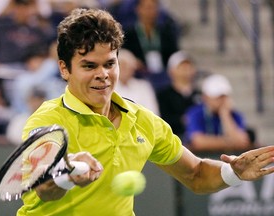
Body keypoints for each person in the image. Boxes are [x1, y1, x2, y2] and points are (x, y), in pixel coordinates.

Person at [17, 8, 274, 216]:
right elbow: (43, 188)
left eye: (109, 63)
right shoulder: (48, 120)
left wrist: (234, 172)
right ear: (64, 69)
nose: (102, 74)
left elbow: (195, 174)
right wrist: (68, 172)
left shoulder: (143, 120)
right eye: (89, 65)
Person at [184, 74, 253, 152]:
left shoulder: (235, 115)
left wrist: (225, 115)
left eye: (224, 96)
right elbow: (198, 142)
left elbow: (242, 142)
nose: (221, 100)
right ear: (205, 97)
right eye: (217, 97)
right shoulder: (195, 113)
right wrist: (230, 142)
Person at [122, 0, 180, 90]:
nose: (150, 11)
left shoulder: (166, 32)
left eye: (153, 8)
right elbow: (124, 54)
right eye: (147, 8)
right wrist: (133, 61)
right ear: (138, 9)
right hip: (139, 75)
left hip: (163, 74)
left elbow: (174, 55)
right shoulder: (129, 33)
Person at [157, 50, 201, 141]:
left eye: (189, 67)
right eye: (182, 67)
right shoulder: (163, 95)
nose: (186, 71)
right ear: (171, 71)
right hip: (172, 139)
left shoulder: (200, 94)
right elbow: (162, 119)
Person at [115, 48, 160, 115]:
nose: (125, 69)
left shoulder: (144, 86)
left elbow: (153, 112)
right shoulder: (109, 87)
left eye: (129, 65)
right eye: (122, 65)